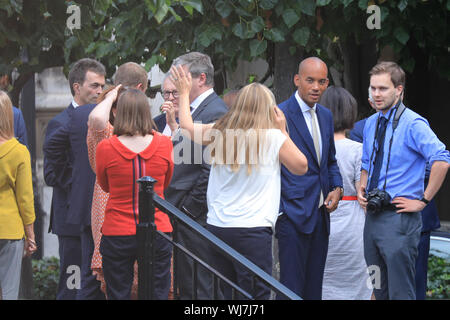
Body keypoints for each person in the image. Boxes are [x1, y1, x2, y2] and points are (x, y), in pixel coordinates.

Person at [170, 65, 308, 299]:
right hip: (252, 230)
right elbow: (301, 166)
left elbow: (187, 127)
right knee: (255, 294)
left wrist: (184, 93)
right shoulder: (272, 137)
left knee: (226, 292)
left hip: (218, 227)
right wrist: (283, 130)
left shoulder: (220, 132)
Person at [357, 61, 450, 300]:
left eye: (383, 89)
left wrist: (423, 200)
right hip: (373, 217)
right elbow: (367, 162)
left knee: (401, 294)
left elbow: (442, 159)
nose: (376, 94)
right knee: (377, 290)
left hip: (400, 218)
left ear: (399, 90)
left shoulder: (413, 124)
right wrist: (362, 186)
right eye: (373, 88)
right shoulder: (370, 123)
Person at [95, 88, 173, 299]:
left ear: (118, 113)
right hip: (158, 229)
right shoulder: (165, 144)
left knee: (118, 292)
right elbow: (165, 183)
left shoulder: (106, 147)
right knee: (158, 292)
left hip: (117, 230)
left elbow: (105, 185)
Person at [276, 57, 343, 300]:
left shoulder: (325, 115)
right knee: (290, 288)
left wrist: (337, 187)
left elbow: (329, 162)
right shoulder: (279, 113)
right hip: (292, 215)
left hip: (321, 215)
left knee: (315, 288)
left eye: (322, 81)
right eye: (310, 80)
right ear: (297, 80)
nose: (316, 87)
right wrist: (282, 210)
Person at [164, 52, 228, 300]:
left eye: (181, 77)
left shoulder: (214, 111)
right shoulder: (193, 110)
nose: (175, 83)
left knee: (201, 288)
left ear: (201, 78)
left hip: (195, 217)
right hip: (181, 214)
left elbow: (211, 167)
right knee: (188, 286)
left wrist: (190, 208)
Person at [43, 58, 106, 300]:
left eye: (102, 86)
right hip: (71, 222)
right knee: (72, 287)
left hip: (99, 220)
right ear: (77, 87)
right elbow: (51, 174)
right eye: (94, 86)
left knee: (96, 286)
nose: (99, 91)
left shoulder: (104, 119)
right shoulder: (60, 122)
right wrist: (82, 185)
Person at [87, 62, 148, 297]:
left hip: (124, 213)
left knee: (129, 284)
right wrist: (112, 96)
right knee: (120, 284)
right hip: (113, 211)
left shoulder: (146, 136)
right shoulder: (108, 136)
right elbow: (97, 121)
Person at [319, 86, 373, 300]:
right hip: (354, 225)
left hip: (322, 220)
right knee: (357, 285)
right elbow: (364, 194)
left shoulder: (315, 147)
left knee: (323, 281)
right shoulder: (358, 149)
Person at [0, 90, 37, 300]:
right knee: (10, 291)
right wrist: (30, 234)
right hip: (10, 229)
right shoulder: (18, 151)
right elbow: (25, 198)